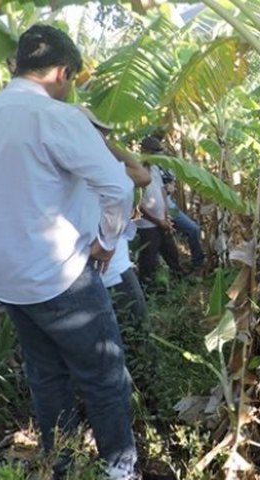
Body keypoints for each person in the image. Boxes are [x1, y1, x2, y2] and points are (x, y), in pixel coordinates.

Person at [0, 25, 138, 479]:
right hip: (60, 276)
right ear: (60, 72)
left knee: (46, 377)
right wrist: (106, 242)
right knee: (103, 375)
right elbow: (119, 186)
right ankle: (119, 468)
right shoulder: (57, 117)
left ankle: (64, 466)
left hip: (6, 279)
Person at [76, 106, 156, 394]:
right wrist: (106, 144)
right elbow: (141, 176)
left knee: (101, 347)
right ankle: (143, 398)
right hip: (113, 272)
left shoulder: (61, 165)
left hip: (82, 275)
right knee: (135, 338)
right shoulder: (99, 166)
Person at [135, 136, 185, 288]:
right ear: (144, 151)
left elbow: (162, 191)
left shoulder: (155, 169)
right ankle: (146, 289)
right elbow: (138, 203)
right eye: (154, 153)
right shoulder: (135, 171)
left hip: (162, 220)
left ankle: (180, 282)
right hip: (147, 224)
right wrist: (157, 221)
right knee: (148, 259)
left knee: (171, 253)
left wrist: (165, 217)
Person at [163, 173, 206, 268]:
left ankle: (197, 262)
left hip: (171, 206)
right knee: (193, 229)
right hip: (164, 208)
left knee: (193, 229)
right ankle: (197, 262)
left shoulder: (165, 167)